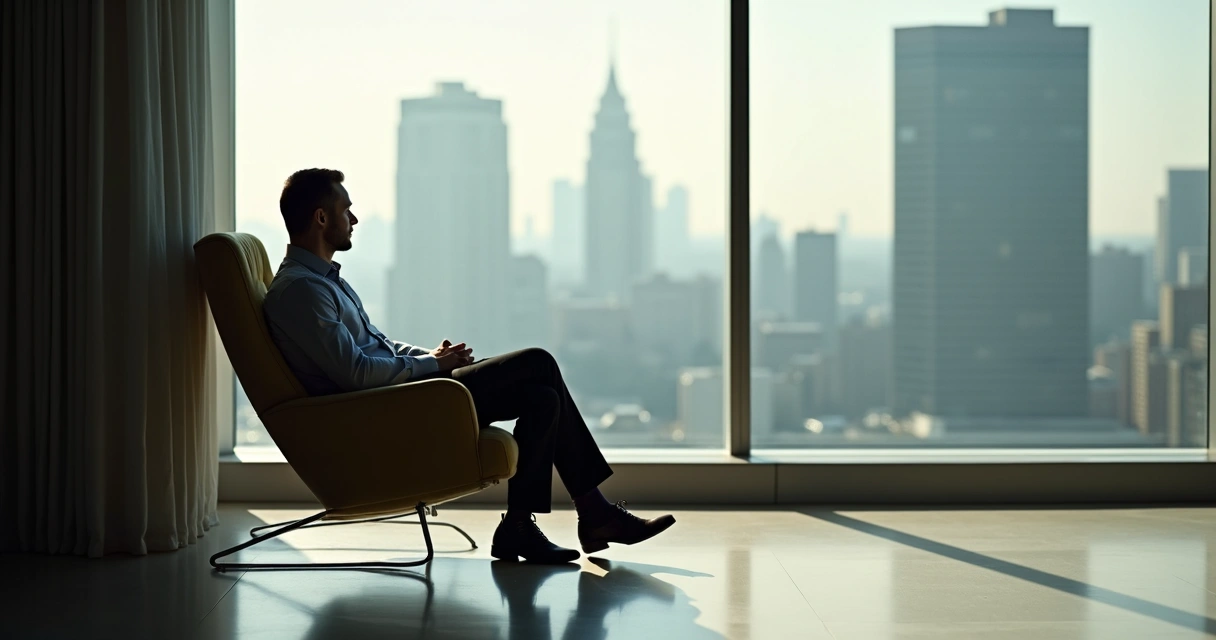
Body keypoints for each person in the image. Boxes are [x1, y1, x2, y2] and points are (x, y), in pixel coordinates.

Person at [262, 168, 675, 564]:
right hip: (384, 411)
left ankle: (521, 526)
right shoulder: (301, 291)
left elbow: (379, 346)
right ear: (320, 218)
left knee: (541, 397)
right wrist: (432, 366)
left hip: (399, 395)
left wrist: (431, 357)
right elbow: (354, 374)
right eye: (345, 209)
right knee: (538, 363)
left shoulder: (322, 281)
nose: (354, 219)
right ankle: (594, 513)